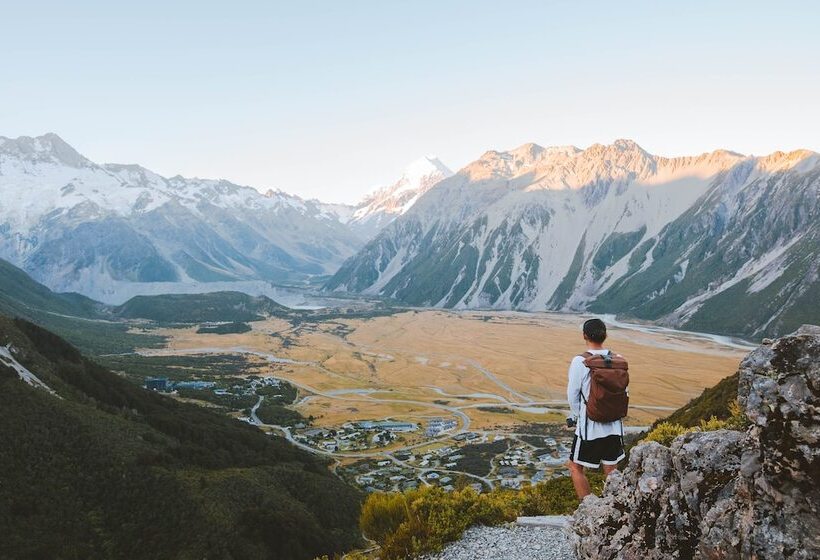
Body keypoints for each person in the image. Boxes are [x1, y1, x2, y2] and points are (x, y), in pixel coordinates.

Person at [565, 318, 627, 499]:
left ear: (584, 335)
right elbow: (624, 392)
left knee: (575, 467)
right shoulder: (618, 360)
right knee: (611, 468)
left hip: (589, 427)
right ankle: (615, 506)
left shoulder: (580, 361)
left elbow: (573, 393)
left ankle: (587, 509)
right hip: (614, 425)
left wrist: (576, 415)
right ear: (605, 335)